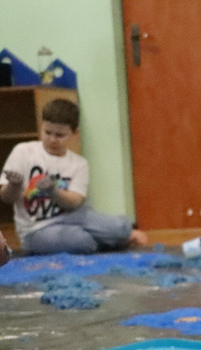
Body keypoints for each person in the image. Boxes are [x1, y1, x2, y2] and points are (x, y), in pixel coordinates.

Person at [0, 98, 147, 255]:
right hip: (37, 230)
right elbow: (6, 198)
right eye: (47, 132)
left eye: (60, 135)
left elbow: (75, 202)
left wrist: (53, 191)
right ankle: (107, 242)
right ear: (41, 125)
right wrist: (14, 185)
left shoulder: (79, 163)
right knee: (82, 241)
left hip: (74, 217)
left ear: (74, 133)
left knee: (121, 227)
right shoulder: (23, 151)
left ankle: (115, 237)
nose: (52, 139)